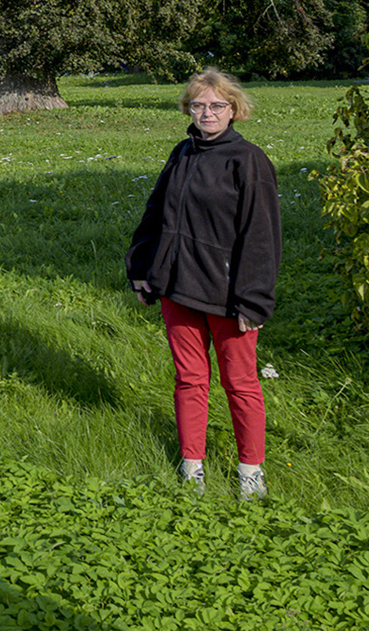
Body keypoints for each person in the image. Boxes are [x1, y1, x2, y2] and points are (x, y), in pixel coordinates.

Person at [125, 69, 282, 497]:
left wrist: (254, 300)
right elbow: (156, 211)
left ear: (234, 110)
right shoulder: (183, 152)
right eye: (198, 105)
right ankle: (192, 466)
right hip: (178, 286)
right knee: (189, 378)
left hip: (230, 295)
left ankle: (250, 472)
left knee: (241, 382)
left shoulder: (248, 160)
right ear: (188, 110)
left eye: (216, 106)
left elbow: (262, 235)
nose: (206, 113)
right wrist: (141, 268)